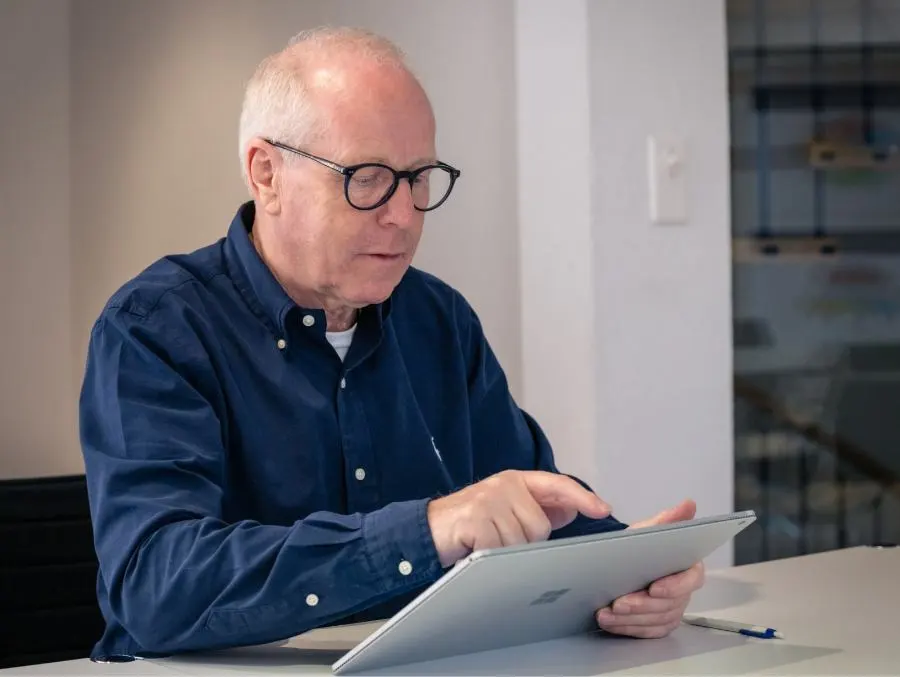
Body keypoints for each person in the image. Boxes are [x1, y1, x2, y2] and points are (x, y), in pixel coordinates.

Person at [79, 26, 704, 662]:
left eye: (419, 178)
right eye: (368, 177)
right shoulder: (156, 327)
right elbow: (156, 589)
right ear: (265, 173)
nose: (403, 214)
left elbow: (531, 507)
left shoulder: (438, 319)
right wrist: (427, 531)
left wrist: (628, 573)